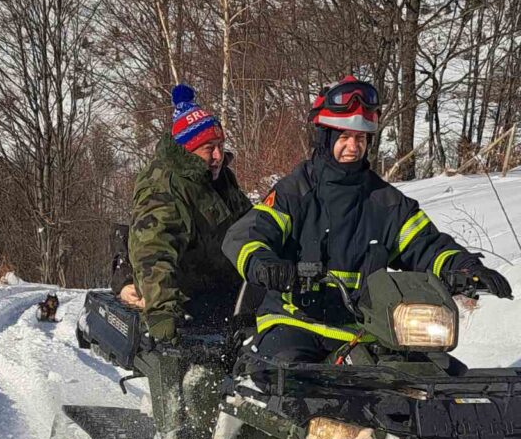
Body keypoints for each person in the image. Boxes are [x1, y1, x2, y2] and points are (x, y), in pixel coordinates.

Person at [223, 75, 513, 364]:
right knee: (287, 384)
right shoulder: (294, 192)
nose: (352, 147)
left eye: (360, 138)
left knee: (430, 382)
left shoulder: (386, 202)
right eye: (344, 137)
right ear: (326, 139)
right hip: (295, 323)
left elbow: (426, 246)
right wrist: (267, 266)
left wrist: (465, 267)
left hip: (366, 330)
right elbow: (246, 237)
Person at [125, 84, 252, 341]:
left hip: (227, 288)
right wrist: (162, 312)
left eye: (220, 144)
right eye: (209, 148)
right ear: (188, 149)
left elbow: (247, 221)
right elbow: (153, 248)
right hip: (189, 298)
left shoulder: (219, 177)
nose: (218, 155)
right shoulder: (164, 185)